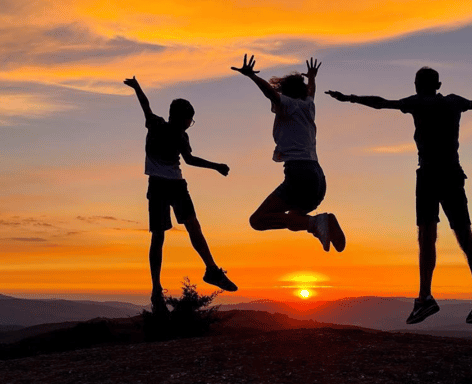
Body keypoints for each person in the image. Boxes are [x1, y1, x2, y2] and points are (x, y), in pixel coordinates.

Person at [326, 67, 472, 325]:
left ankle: (425, 298)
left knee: (426, 237)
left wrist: (350, 98)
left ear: (418, 85)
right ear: (438, 84)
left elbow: (381, 103)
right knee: (465, 237)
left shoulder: (417, 102)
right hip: (452, 174)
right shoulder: (453, 102)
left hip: (429, 175)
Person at [124, 76, 238, 315]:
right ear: (182, 117)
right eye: (190, 120)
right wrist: (217, 166)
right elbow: (190, 160)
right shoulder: (178, 134)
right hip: (171, 186)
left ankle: (160, 290)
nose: (189, 124)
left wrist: (137, 86)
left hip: (163, 186)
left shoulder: (155, 123)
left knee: (162, 236)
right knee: (187, 229)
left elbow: (145, 105)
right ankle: (206, 272)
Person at [231, 54, 346, 253]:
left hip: (299, 174)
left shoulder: (289, 105)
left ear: (286, 94)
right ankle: (315, 223)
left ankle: (317, 222)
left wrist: (252, 76)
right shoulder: (309, 106)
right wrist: (312, 77)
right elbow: (311, 92)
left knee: (258, 220)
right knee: (293, 221)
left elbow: (270, 94)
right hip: (317, 179)